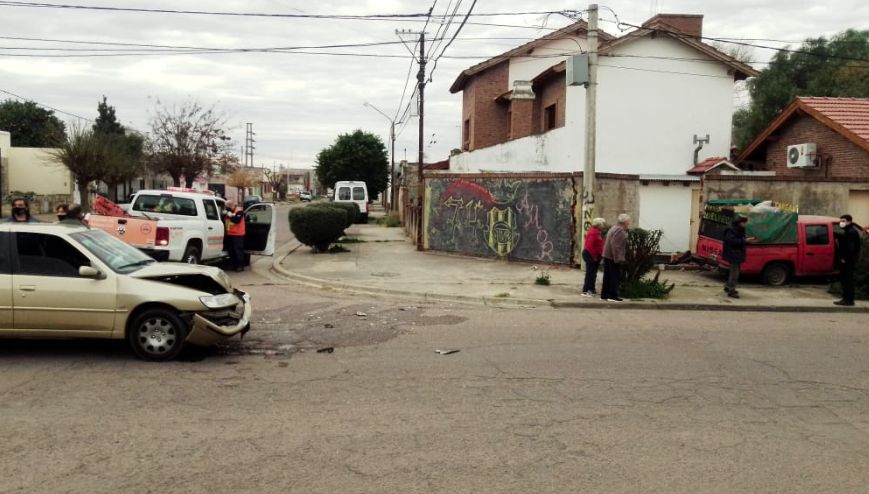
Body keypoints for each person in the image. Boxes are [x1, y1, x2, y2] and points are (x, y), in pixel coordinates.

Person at [722, 216, 755, 299]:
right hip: (733, 254)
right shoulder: (731, 229)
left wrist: (747, 240)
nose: (745, 224)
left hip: (737, 254)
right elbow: (731, 241)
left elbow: (739, 240)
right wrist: (744, 241)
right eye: (744, 223)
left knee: (734, 272)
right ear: (739, 222)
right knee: (735, 273)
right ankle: (731, 291)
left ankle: (728, 286)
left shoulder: (739, 229)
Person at [601, 214, 630, 302]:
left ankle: (604, 295)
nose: (629, 223)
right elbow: (615, 245)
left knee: (607, 276)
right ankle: (612, 295)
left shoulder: (614, 227)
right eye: (628, 221)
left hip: (607, 255)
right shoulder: (620, 230)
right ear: (624, 222)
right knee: (614, 276)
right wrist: (617, 258)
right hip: (613, 256)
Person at [835, 214, 861, 306]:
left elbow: (851, 248)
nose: (841, 223)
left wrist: (844, 258)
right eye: (841, 221)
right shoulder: (848, 231)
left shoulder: (851, 232)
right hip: (849, 259)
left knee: (847, 280)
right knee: (845, 280)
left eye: (843, 221)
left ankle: (848, 300)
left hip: (848, 260)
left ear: (849, 221)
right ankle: (846, 299)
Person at [581, 218, 606, 297]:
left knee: (593, 273)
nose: (604, 226)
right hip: (590, 255)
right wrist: (594, 257)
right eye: (602, 224)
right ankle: (587, 290)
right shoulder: (593, 233)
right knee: (590, 273)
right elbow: (590, 246)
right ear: (598, 225)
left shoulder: (597, 232)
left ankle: (591, 289)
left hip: (594, 255)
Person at [224, 201, 246, 272]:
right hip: (230, 234)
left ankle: (240, 266)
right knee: (231, 251)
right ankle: (233, 265)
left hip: (238, 235)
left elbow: (237, 220)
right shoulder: (228, 212)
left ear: (231, 206)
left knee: (238, 251)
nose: (226, 208)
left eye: (227, 207)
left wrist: (230, 216)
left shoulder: (239, 211)